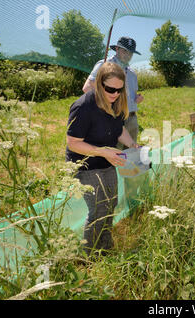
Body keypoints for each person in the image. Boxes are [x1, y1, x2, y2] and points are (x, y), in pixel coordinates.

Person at [67, 62, 139, 256]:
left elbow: (119, 129)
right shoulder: (83, 106)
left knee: (111, 204)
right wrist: (104, 151)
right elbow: (73, 143)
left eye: (119, 89)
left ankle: (105, 248)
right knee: (98, 209)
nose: (115, 94)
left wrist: (132, 144)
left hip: (107, 161)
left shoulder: (115, 103)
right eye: (110, 89)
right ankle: (90, 256)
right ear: (99, 83)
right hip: (86, 165)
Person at [83, 36, 144, 150]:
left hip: (132, 118)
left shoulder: (132, 73)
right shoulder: (105, 65)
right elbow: (87, 88)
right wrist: (106, 109)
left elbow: (130, 95)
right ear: (117, 49)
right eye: (124, 50)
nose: (128, 55)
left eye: (131, 52)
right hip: (113, 118)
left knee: (130, 154)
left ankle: (128, 168)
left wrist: (137, 98)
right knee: (114, 155)